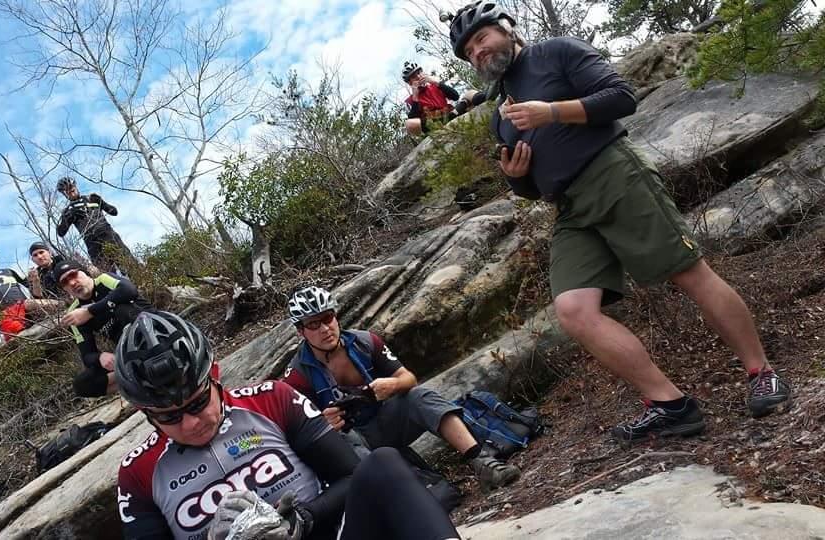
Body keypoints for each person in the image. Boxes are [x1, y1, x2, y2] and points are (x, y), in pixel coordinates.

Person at [449, 1, 791, 442]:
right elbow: (532, 186)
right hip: (570, 207)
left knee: (688, 273)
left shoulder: (557, 52)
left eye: (482, 38)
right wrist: (516, 179)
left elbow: (621, 97)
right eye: (469, 51)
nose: (477, 51)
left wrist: (550, 112)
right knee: (573, 310)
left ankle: (762, 373)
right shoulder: (501, 114)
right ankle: (671, 405)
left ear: (507, 29)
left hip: (614, 173)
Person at [114, 311, 461, 540]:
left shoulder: (272, 399)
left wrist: (301, 519)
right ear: (144, 411)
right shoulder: (137, 472)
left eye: (197, 403)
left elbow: (353, 476)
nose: (190, 423)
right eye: (169, 417)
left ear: (215, 376)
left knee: (383, 464)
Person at [282, 286, 519, 490]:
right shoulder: (297, 376)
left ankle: (482, 463)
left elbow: (408, 379)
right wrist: (323, 424)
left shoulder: (365, 342)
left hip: (388, 420)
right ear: (300, 331)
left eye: (328, 317)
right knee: (344, 440)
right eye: (313, 324)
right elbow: (300, 436)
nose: (324, 328)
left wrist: (393, 384)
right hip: (355, 447)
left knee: (419, 396)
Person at [56, 260, 152, 398]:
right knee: (83, 384)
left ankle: (150, 368)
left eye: (74, 275)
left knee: (122, 310)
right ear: (64, 289)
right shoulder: (74, 313)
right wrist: (100, 357)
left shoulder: (103, 280)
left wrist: (89, 312)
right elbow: (87, 355)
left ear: (85, 272)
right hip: (128, 351)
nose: (72, 283)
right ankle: (141, 383)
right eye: (65, 282)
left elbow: (129, 290)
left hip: (153, 328)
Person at [55, 176, 137, 273]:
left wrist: (101, 202)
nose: (70, 191)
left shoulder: (92, 198)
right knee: (108, 275)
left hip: (109, 236)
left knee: (130, 266)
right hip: (92, 244)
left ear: (75, 187)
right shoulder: (68, 210)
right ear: (64, 194)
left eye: (71, 187)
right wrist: (68, 217)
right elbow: (61, 233)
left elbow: (114, 212)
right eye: (66, 190)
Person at [0, 249, 60, 341]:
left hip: (23, 304)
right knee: (21, 338)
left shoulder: (9, 271)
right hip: (7, 314)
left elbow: (28, 285)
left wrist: (36, 281)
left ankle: (64, 303)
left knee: (43, 304)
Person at [402, 61, 484, 136]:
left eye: (419, 73)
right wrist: (415, 96)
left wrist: (435, 82)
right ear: (409, 82)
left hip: (451, 113)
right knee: (410, 124)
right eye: (414, 76)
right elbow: (414, 123)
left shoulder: (434, 86)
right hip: (435, 125)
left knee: (470, 93)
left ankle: (488, 99)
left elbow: (455, 96)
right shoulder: (410, 101)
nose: (419, 76)